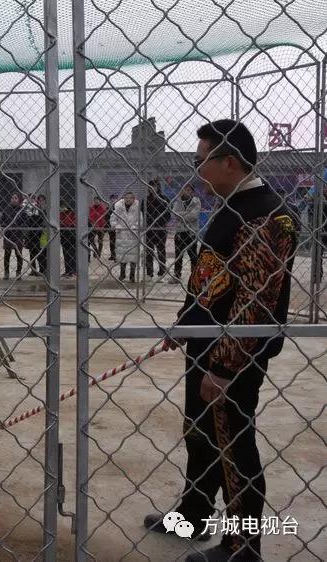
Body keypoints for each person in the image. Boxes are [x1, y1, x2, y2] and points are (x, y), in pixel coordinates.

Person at [145, 120, 298, 562]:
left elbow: (254, 301)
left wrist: (224, 369)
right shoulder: (235, 204)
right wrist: (186, 323)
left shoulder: (264, 213)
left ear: (229, 162)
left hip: (232, 358)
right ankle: (193, 515)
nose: (197, 172)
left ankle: (242, 547)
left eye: (200, 162)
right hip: (207, 346)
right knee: (201, 436)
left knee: (235, 449)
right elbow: (213, 279)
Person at [170, 184, 201, 283]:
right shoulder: (177, 201)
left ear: (192, 192)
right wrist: (186, 215)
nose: (187, 191)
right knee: (178, 256)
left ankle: (195, 276)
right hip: (179, 232)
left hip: (191, 233)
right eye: (185, 189)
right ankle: (177, 275)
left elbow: (194, 216)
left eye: (189, 190)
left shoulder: (196, 201)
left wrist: (181, 216)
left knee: (193, 256)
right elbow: (174, 214)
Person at [143, 178, 171, 279]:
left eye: (154, 186)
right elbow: (142, 213)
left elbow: (168, 214)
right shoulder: (145, 200)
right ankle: (149, 272)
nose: (152, 188)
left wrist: (161, 223)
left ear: (158, 187)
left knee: (161, 250)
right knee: (149, 252)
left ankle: (162, 270)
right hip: (149, 229)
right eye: (150, 187)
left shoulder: (165, 199)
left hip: (161, 229)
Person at [110, 191, 141, 283]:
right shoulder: (118, 208)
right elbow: (112, 220)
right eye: (126, 197)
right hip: (122, 235)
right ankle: (122, 274)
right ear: (124, 198)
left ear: (133, 199)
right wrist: (118, 227)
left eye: (130, 198)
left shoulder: (137, 208)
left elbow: (141, 220)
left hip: (133, 236)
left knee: (133, 257)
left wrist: (134, 227)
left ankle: (132, 276)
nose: (128, 199)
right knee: (122, 256)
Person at [0, 193, 24, 280]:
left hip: (18, 235)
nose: (14, 199)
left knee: (19, 255)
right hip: (8, 235)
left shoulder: (21, 210)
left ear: (19, 200)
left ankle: (18, 273)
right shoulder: (6, 209)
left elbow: (25, 221)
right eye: (12, 198)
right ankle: (6, 273)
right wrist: (5, 226)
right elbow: (1, 220)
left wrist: (20, 228)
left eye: (16, 198)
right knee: (7, 254)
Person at [59, 203, 76, 277]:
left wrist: (64, 223)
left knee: (72, 254)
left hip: (72, 236)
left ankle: (73, 270)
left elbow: (73, 223)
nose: (62, 208)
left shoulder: (72, 213)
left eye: (63, 207)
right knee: (66, 254)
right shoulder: (61, 214)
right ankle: (68, 270)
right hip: (64, 236)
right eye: (61, 207)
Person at [106, 193, 118, 260]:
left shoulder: (119, 208)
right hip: (110, 228)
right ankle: (112, 255)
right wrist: (108, 227)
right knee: (112, 242)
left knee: (117, 242)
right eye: (112, 199)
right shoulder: (108, 208)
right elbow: (106, 218)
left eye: (115, 198)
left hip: (118, 228)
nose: (113, 200)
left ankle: (117, 255)